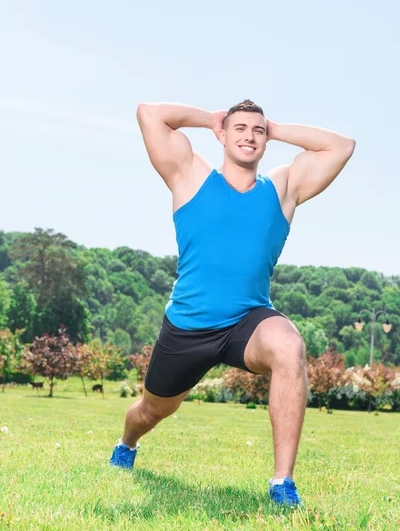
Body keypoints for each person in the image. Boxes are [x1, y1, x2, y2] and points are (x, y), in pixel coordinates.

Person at [110, 99, 355, 506]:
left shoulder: (283, 189)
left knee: (289, 344)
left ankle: (282, 483)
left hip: (247, 322)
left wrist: (272, 127)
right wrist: (209, 119)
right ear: (222, 135)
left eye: (256, 131)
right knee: (152, 411)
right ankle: (127, 444)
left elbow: (341, 146)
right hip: (189, 324)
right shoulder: (191, 176)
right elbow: (148, 113)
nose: (249, 136)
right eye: (238, 128)